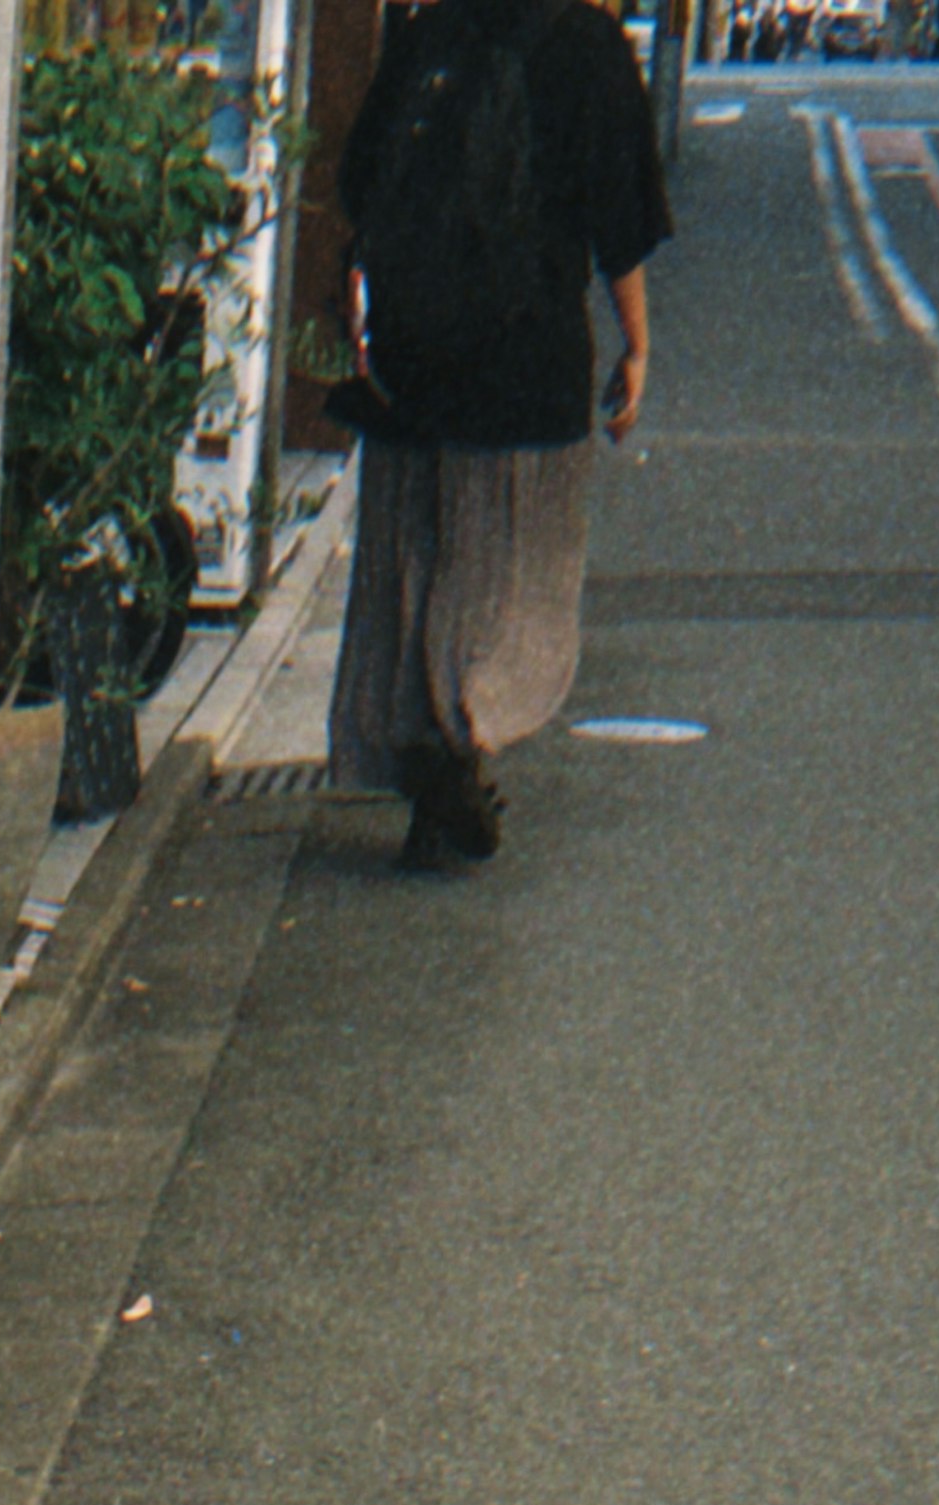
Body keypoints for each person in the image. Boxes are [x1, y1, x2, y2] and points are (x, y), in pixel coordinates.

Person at [325, 0, 672, 868]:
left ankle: (415, 745)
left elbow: (362, 180)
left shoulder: (429, 28)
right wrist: (637, 343)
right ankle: (463, 735)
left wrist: (356, 303)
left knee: (411, 555)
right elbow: (617, 218)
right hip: (524, 350)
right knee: (505, 566)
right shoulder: (589, 45)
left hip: (411, 347)